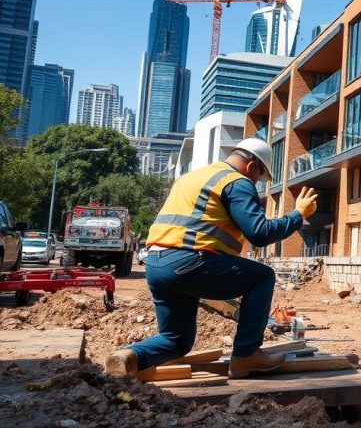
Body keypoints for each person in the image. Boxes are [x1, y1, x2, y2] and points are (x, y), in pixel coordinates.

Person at [104, 138, 320, 379]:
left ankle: (128, 357)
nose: (255, 183)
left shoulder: (192, 177)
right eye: (258, 178)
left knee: (176, 340)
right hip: (190, 262)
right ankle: (246, 356)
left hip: (156, 264)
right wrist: (298, 214)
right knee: (262, 277)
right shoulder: (237, 182)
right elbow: (259, 233)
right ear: (252, 166)